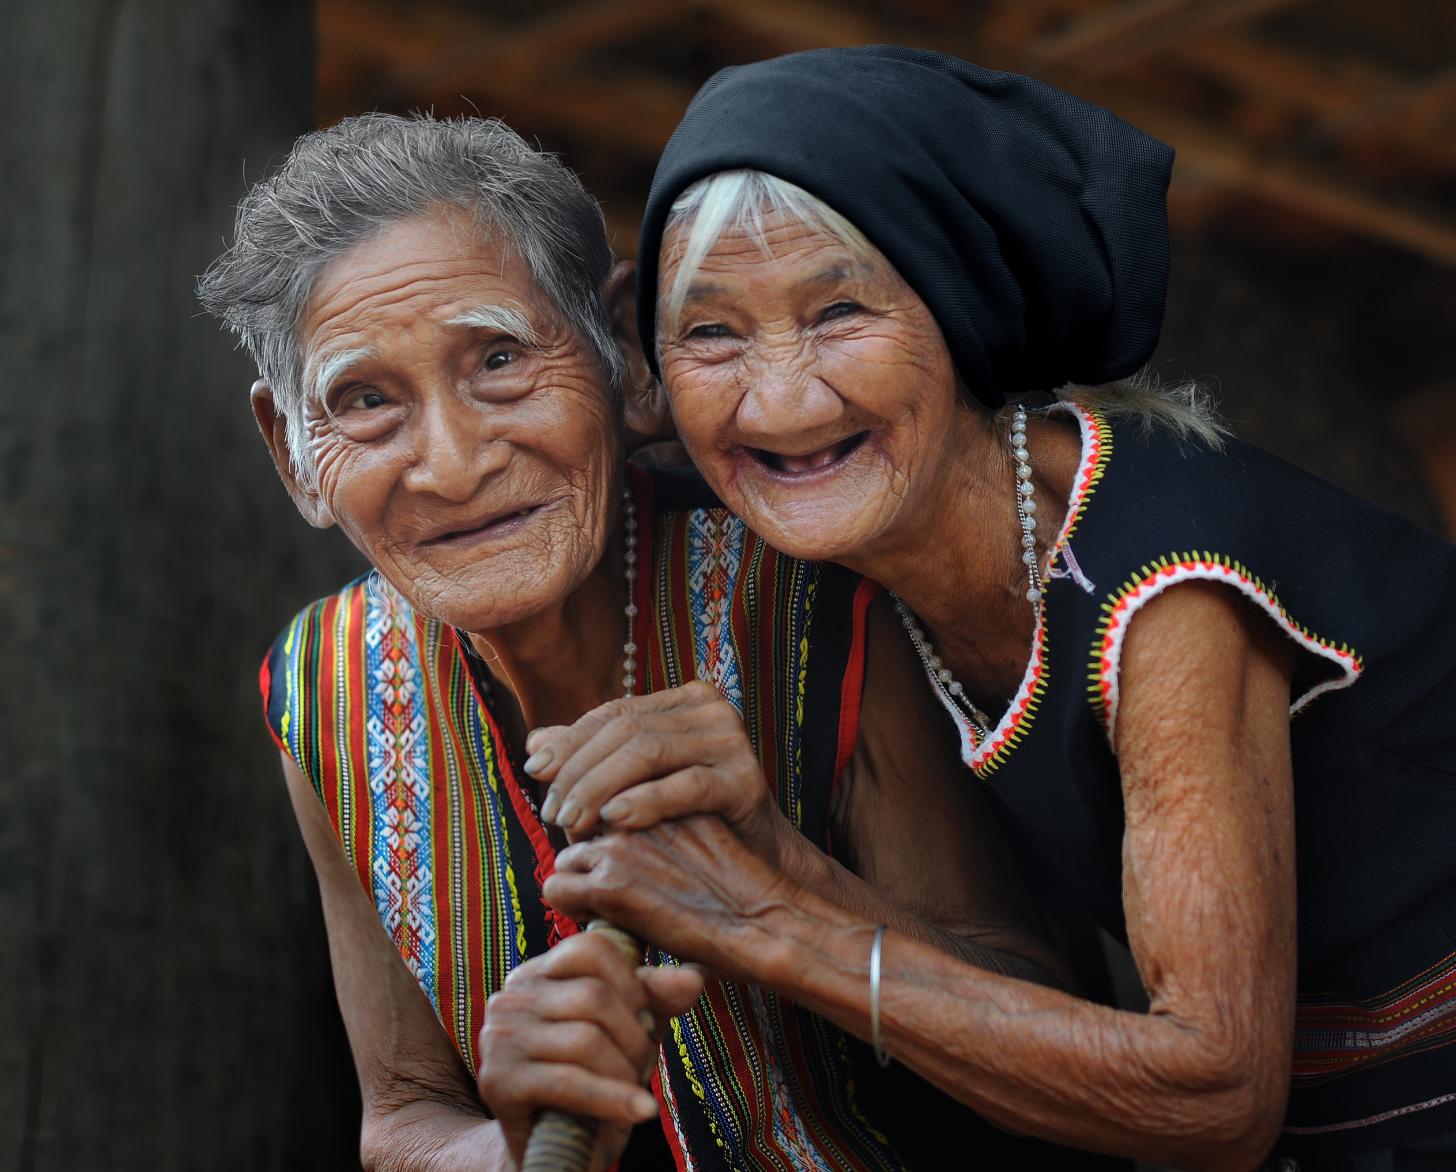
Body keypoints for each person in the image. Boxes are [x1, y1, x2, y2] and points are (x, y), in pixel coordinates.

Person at [530, 47, 1456, 1170]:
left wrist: (765, 919)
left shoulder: (1161, 586)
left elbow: (1214, 1090)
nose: (774, 397)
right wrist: (772, 864)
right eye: (711, 333)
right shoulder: (857, 567)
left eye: (838, 312)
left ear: (956, 317)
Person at [196, 112, 1110, 1171]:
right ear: (295, 455)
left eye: (498, 358)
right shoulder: (329, 686)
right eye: (364, 401)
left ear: (625, 355)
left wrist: (780, 888)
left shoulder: (806, 586)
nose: (448, 464)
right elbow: (402, 1112)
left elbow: (1058, 1034)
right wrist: (518, 1140)